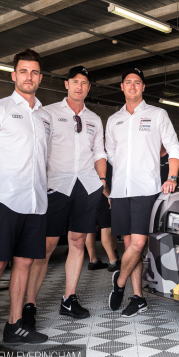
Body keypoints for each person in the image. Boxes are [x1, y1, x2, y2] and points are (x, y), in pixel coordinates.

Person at [0, 49, 51, 348]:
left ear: (40, 77)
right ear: (14, 75)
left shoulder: (45, 117)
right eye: (23, 71)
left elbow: (44, 161)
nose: (29, 77)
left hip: (36, 202)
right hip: (5, 201)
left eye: (34, 72)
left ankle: (14, 326)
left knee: (24, 263)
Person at [25, 66, 107, 321]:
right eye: (75, 81)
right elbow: (38, 149)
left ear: (89, 88)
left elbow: (99, 153)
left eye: (84, 83)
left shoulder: (94, 119)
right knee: (46, 245)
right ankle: (29, 304)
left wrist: (102, 181)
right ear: (66, 84)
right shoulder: (48, 113)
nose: (79, 86)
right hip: (56, 185)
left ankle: (69, 299)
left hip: (87, 185)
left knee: (78, 241)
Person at [105, 67, 179, 317]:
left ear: (143, 87)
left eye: (137, 82)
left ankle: (119, 282)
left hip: (146, 189)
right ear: (122, 87)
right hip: (120, 191)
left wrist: (172, 177)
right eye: (128, 82)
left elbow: (174, 147)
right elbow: (111, 154)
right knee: (129, 245)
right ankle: (138, 298)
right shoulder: (114, 120)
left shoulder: (157, 114)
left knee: (138, 244)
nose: (132, 86)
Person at [85, 160, 120, 272]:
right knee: (107, 226)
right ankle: (113, 261)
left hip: (88, 192)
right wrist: (109, 196)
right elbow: (101, 179)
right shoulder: (100, 157)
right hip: (102, 193)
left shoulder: (88, 156)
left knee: (91, 226)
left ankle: (93, 260)